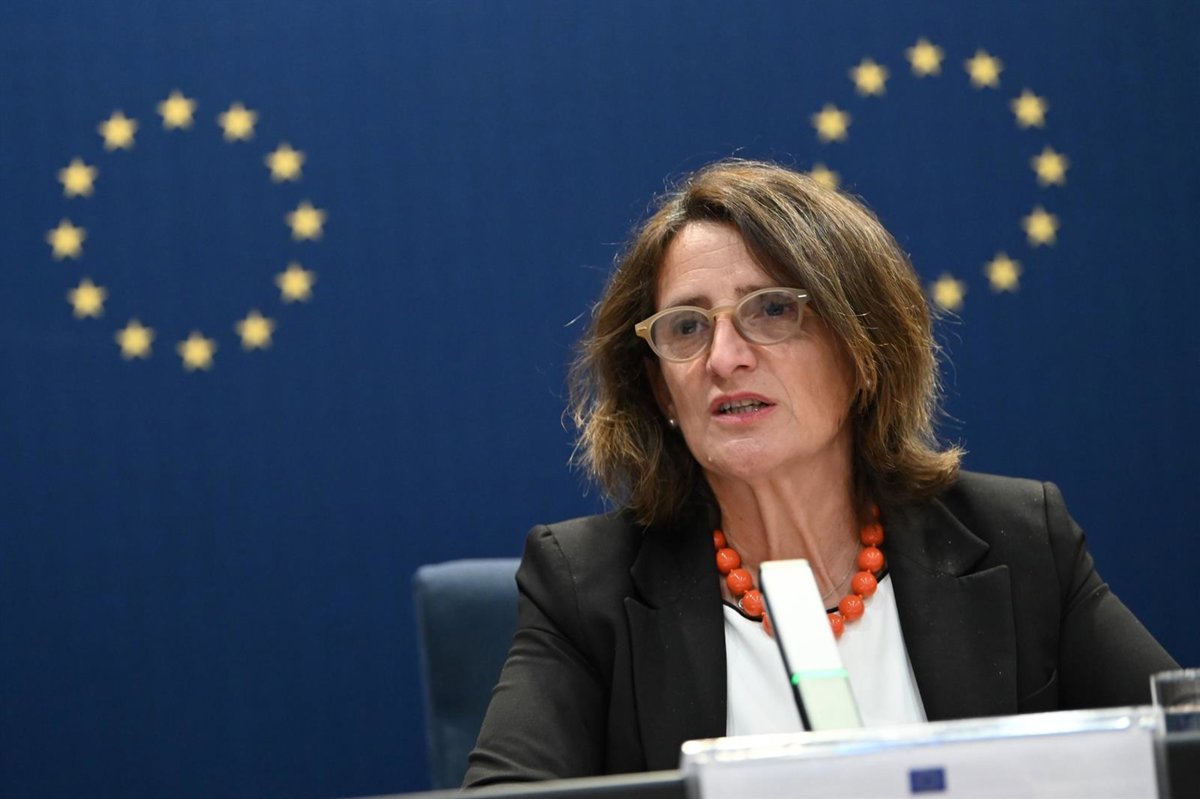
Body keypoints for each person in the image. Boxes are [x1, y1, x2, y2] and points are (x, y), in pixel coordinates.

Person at [463, 159, 1177, 786]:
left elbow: (1184, 754)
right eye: (687, 327)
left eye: (771, 310)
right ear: (662, 390)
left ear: (863, 349)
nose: (724, 358)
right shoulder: (584, 587)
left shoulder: (1019, 542)